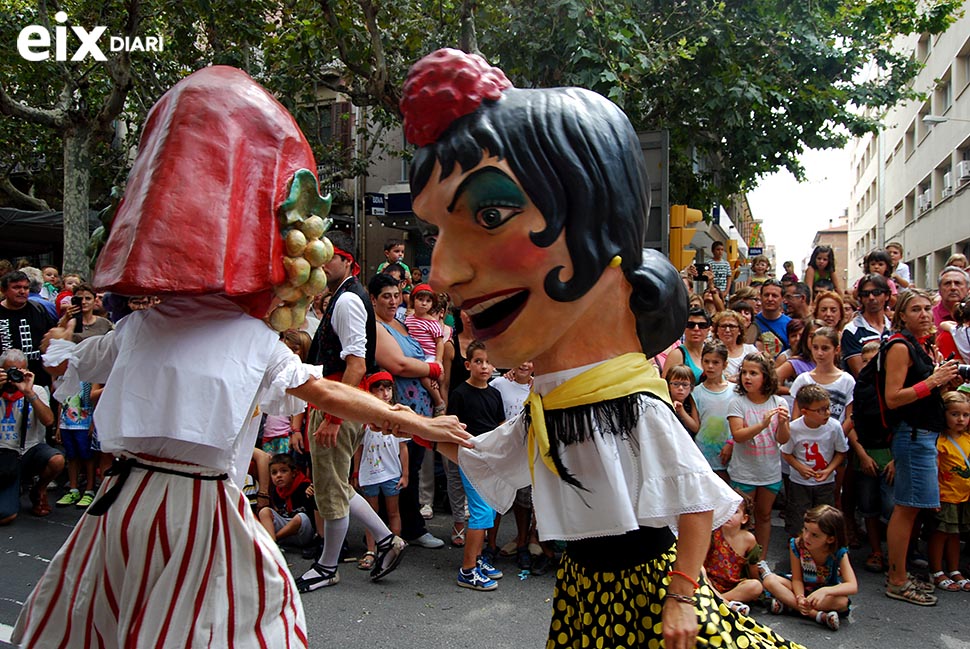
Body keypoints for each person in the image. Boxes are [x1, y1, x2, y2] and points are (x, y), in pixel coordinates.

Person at [13, 67, 470, 649]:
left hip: (123, 506)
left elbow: (72, 361)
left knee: (111, 621)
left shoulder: (140, 326)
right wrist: (420, 424)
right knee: (229, 622)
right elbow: (328, 393)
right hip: (197, 512)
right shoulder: (236, 337)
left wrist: (57, 351)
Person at [402, 48, 801, 648]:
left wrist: (682, 599)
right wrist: (409, 423)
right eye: (437, 232)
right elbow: (485, 458)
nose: (439, 274)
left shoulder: (634, 406)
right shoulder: (547, 404)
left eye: (488, 213)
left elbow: (695, 506)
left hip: (643, 588)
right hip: (584, 592)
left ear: (601, 223)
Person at [298, 230, 411, 592]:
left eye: (326, 256)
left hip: (338, 403)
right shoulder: (346, 296)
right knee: (335, 485)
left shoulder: (347, 300)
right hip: (337, 402)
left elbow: (357, 364)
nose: (320, 263)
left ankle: (328, 565)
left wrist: (333, 416)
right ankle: (383, 539)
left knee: (331, 490)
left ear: (345, 260)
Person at [883, 289, 962, 606]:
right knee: (905, 508)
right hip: (913, 436)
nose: (925, 314)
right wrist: (933, 380)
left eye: (928, 308)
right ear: (902, 315)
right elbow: (893, 398)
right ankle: (897, 580)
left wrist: (942, 381)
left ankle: (899, 573)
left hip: (924, 435)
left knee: (912, 508)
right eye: (915, 309)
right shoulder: (900, 346)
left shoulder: (921, 347)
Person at [369, 273, 449, 551]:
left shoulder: (402, 323)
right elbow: (399, 366)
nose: (392, 301)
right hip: (400, 408)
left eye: (395, 295)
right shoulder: (377, 328)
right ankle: (406, 529)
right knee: (401, 471)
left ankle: (401, 528)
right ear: (373, 299)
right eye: (385, 296)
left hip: (420, 407)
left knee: (410, 468)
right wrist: (433, 369)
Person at [447, 341, 507, 590]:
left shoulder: (494, 393)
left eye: (488, 362)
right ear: (468, 364)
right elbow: (452, 428)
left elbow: (501, 424)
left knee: (489, 510)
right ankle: (468, 569)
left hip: (491, 460)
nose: (484, 366)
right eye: (479, 361)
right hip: (471, 460)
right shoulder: (460, 394)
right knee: (481, 512)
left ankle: (478, 558)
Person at [727, 353, 791, 553]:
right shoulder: (737, 402)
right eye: (744, 372)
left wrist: (782, 424)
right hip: (744, 471)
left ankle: (760, 558)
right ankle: (740, 557)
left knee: (764, 516)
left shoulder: (779, 402)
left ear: (765, 376)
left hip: (769, 471)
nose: (747, 377)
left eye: (753, 373)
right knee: (743, 518)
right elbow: (738, 435)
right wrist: (762, 424)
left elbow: (783, 439)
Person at [762, 505, 858, 631]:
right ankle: (816, 615)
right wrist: (800, 597)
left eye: (814, 535)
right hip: (800, 589)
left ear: (830, 539)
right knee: (770, 580)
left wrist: (825, 591)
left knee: (842, 602)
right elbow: (797, 579)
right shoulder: (797, 544)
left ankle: (789, 606)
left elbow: (852, 586)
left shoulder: (838, 552)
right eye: (805, 529)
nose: (806, 537)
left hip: (822, 595)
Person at [352, 371, 409, 572]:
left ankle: (395, 547)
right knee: (371, 514)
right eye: (380, 389)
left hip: (392, 472)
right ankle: (371, 550)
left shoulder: (398, 415)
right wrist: (356, 472)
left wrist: (405, 474)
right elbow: (358, 448)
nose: (385, 393)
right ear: (371, 392)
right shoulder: (364, 418)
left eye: (388, 388)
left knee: (393, 511)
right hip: (369, 473)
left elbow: (403, 447)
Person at [781, 384, 849, 538]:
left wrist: (829, 470)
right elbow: (786, 453)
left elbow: (841, 452)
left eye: (827, 407)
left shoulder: (834, 427)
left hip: (825, 483)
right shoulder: (794, 428)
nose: (827, 413)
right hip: (800, 483)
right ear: (805, 412)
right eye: (820, 410)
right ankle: (798, 548)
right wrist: (800, 468)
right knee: (798, 517)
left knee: (825, 520)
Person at [0, 349, 60, 523]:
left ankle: (38, 490)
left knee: (56, 460)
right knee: (7, 515)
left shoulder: (37, 390)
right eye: (10, 371)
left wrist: (29, 393)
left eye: (20, 371)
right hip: (4, 456)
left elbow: (49, 421)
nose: (15, 376)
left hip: (29, 451)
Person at [489, 360, 536, 570]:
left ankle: (523, 544)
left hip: (527, 452)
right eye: (520, 359)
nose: (524, 364)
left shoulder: (538, 385)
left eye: (530, 360)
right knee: (496, 497)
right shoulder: (499, 383)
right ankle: (490, 545)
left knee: (523, 501)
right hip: (503, 450)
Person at [926, 391, 970, 592]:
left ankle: (953, 569)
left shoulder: (968, 439)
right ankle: (936, 570)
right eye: (954, 414)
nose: (960, 419)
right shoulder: (940, 441)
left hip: (964, 497)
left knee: (956, 533)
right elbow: (934, 470)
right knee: (941, 532)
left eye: (965, 415)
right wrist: (933, 496)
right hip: (945, 495)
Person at [703, 493, 763, 616]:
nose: (728, 515)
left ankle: (719, 600)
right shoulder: (713, 533)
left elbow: (753, 568)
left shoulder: (749, 539)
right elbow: (701, 561)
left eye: (734, 512)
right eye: (725, 510)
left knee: (756, 586)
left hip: (733, 586)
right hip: (710, 581)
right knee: (700, 573)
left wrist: (759, 589)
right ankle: (726, 603)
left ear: (744, 518)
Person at [0, 271, 56, 387]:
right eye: (16, 287)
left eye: (26, 288)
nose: (22, 291)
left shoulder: (38, 310)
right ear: (4, 290)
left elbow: (51, 342)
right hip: (4, 383)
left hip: (37, 380)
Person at [257, 453, 317, 551]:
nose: (279, 476)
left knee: (301, 517)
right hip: (287, 529)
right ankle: (273, 546)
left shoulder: (304, 486)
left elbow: (312, 514)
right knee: (264, 511)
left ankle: (273, 540)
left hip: (303, 531)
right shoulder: (276, 492)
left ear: (293, 473)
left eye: (283, 471)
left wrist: (311, 494)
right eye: (274, 473)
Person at [693, 341, 733, 481]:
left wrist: (731, 444)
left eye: (715, 362)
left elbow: (742, 421)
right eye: (707, 361)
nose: (710, 366)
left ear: (725, 364)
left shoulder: (734, 391)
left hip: (728, 452)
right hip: (703, 453)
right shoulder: (696, 392)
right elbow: (696, 424)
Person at [405, 283, 446, 413]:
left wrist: (438, 361)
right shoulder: (408, 320)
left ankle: (439, 401)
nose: (424, 303)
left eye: (428, 301)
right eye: (420, 299)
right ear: (413, 301)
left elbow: (440, 342)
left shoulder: (432, 322)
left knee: (424, 375)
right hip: (414, 355)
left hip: (429, 356)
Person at [841, 274, 892, 376]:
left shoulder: (895, 327)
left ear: (887, 296)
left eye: (876, 292)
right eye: (865, 294)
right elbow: (861, 374)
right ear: (860, 298)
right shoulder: (851, 330)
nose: (871, 297)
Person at [662, 307, 709, 384]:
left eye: (702, 325)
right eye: (691, 325)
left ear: (708, 329)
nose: (696, 329)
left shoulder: (712, 351)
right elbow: (667, 387)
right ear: (684, 328)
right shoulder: (677, 355)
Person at [713, 310, 758, 382]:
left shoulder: (750, 350)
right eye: (723, 326)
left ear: (740, 330)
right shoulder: (711, 352)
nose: (727, 330)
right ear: (717, 331)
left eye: (732, 326)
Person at [755, 280, 792, 358]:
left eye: (774, 296)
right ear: (760, 297)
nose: (770, 299)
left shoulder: (790, 324)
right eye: (766, 295)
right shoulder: (752, 323)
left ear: (782, 299)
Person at [666, 365, 699, 436]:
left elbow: (695, 428)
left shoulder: (691, 401)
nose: (680, 388)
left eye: (685, 384)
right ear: (668, 386)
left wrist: (681, 410)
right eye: (675, 384)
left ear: (691, 388)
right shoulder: (664, 402)